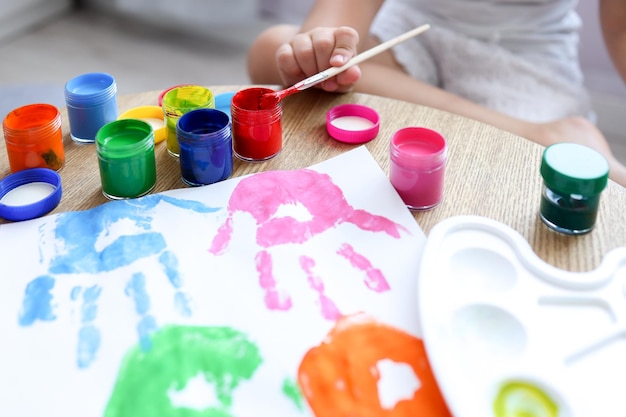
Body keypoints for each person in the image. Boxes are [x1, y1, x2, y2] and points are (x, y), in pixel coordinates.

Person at [247, 0, 626, 187]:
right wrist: (323, 47)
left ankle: (546, 135)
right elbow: (337, 18)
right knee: (274, 47)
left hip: (523, 57)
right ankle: (531, 135)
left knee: (532, 179)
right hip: (414, 33)